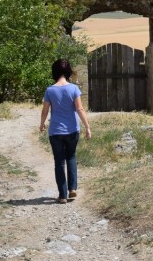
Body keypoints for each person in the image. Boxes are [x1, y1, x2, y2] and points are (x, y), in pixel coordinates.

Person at [39, 58, 92, 204]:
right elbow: (80, 109)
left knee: (59, 162)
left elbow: (45, 111)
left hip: (55, 131)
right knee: (71, 157)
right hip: (72, 130)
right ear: (68, 71)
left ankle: (62, 196)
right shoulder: (74, 89)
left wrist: (42, 124)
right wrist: (87, 127)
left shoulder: (50, 90)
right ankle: (72, 188)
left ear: (54, 72)